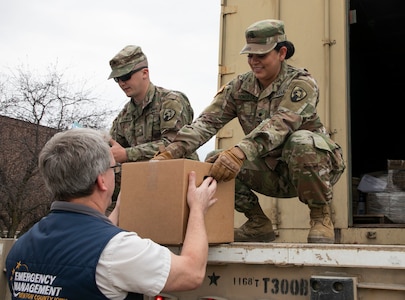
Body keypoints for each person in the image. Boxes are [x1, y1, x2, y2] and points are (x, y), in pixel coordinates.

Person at [153, 19, 346, 244]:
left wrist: (239, 152)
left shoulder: (302, 83)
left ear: (282, 53)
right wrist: (169, 153)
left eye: (261, 55)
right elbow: (206, 123)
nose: (254, 62)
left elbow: (281, 124)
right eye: (250, 56)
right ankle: (258, 223)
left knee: (301, 141)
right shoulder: (239, 87)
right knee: (215, 160)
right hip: (271, 172)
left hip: (313, 169)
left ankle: (320, 216)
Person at [6, 128, 218, 299]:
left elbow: (84, 244)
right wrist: (198, 209)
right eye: (114, 169)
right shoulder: (117, 251)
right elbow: (191, 273)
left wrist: (117, 209)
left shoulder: (20, 247)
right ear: (101, 180)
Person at [108, 45, 199, 164]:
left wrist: (127, 154)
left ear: (144, 73)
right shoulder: (124, 116)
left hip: (179, 175)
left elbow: (176, 145)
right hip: (144, 176)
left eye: (125, 76)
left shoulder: (171, 102)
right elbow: (114, 148)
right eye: (117, 79)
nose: (121, 83)